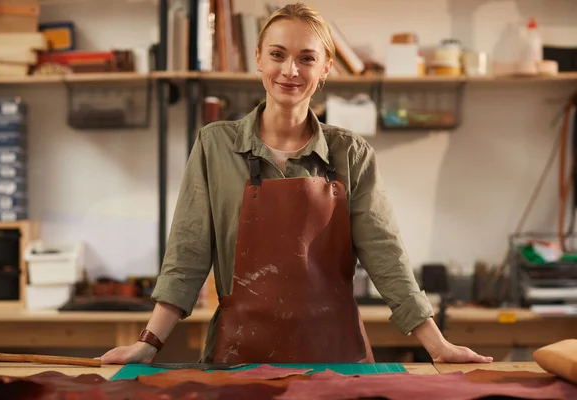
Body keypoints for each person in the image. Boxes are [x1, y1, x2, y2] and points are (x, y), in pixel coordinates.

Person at [101, 3, 492, 365]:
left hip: (336, 361)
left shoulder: (351, 154)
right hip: (238, 359)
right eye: (277, 54)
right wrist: (148, 344)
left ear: (325, 68)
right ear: (258, 58)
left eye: (306, 58)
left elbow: (386, 257)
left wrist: (438, 347)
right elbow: (187, 254)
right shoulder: (215, 145)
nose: (290, 70)